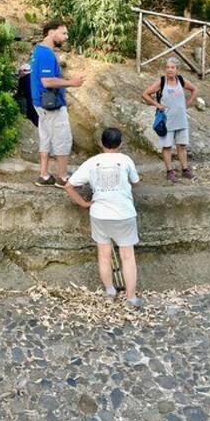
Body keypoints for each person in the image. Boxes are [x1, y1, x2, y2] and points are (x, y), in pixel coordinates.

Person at [64, 128, 144, 308]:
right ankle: (131, 298)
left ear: (101, 143)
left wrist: (83, 203)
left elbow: (68, 186)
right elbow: (136, 182)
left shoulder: (92, 162)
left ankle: (110, 291)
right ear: (120, 144)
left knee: (104, 255)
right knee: (127, 256)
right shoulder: (125, 160)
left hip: (100, 214)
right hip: (124, 214)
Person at [30, 20, 83, 188]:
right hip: (51, 105)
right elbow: (46, 81)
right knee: (63, 139)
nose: (66, 37)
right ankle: (62, 177)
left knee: (45, 137)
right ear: (51, 32)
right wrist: (71, 82)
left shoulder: (38, 51)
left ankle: (44, 175)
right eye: (63, 33)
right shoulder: (46, 53)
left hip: (40, 104)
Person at [141, 57, 198, 182]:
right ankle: (169, 171)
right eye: (167, 67)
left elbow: (194, 89)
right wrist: (157, 104)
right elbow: (145, 93)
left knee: (181, 146)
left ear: (177, 69)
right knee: (167, 146)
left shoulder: (181, 80)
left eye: (172, 67)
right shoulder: (161, 81)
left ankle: (185, 170)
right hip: (167, 120)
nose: (169, 70)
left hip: (181, 119)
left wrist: (189, 102)